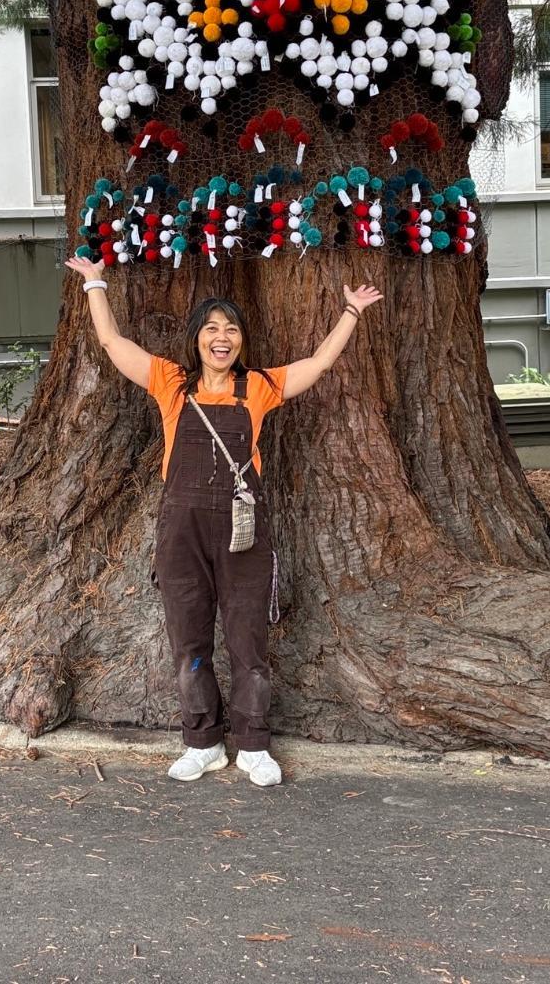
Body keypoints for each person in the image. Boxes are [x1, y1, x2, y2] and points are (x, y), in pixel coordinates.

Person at [65, 254, 383, 786]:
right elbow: (113, 344)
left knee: (246, 638)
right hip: (181, 528)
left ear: (240, 341)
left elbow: (317, 366)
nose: (221, 336)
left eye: (230, 329)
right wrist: (96, 282)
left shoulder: (256, 387)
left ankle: (254, 745)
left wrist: (350, 312)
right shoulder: (171, 383)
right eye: (211, 328)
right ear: (196, 338)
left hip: (243, 530)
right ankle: (203, 742)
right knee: (189, 640)